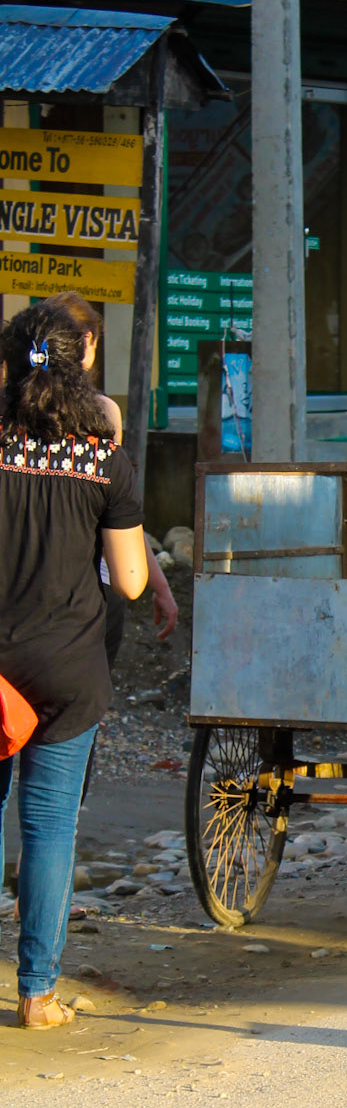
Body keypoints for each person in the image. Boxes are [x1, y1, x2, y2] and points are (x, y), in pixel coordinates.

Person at [0, 301, 148, 1028]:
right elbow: (129, 583)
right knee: (50, 825)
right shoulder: (103, 461)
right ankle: (37, 993)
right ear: (80, 360)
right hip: (67, 667)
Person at [45, 292, 178, 658]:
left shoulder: (10, 419)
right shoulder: (102, 415)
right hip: (88, 596)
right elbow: (118, 514)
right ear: (87, 343)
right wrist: (157, 582)